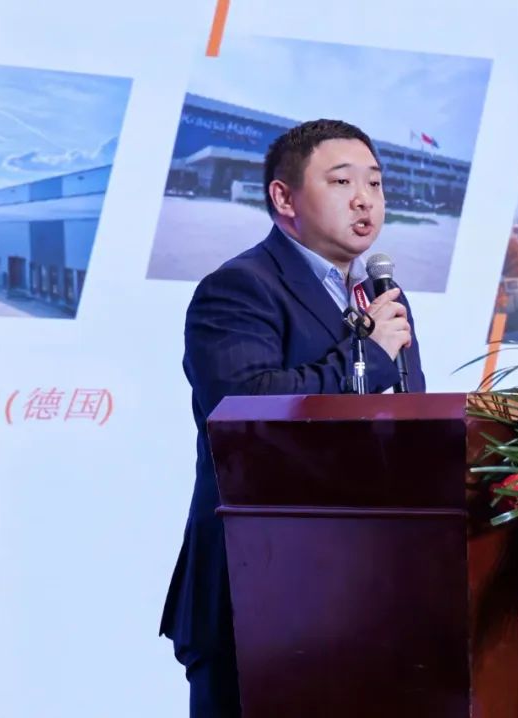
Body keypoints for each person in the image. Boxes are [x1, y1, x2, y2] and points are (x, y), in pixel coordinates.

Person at [159, 119, 425, 717]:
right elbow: (247, 410)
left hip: (371, 594)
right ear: (284, 198)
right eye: (342, 182)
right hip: (260, 592)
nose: (366, 199)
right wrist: (368, 357)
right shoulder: (239, 288)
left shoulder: (382, 296)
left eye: (375, 183)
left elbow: (409, 423)